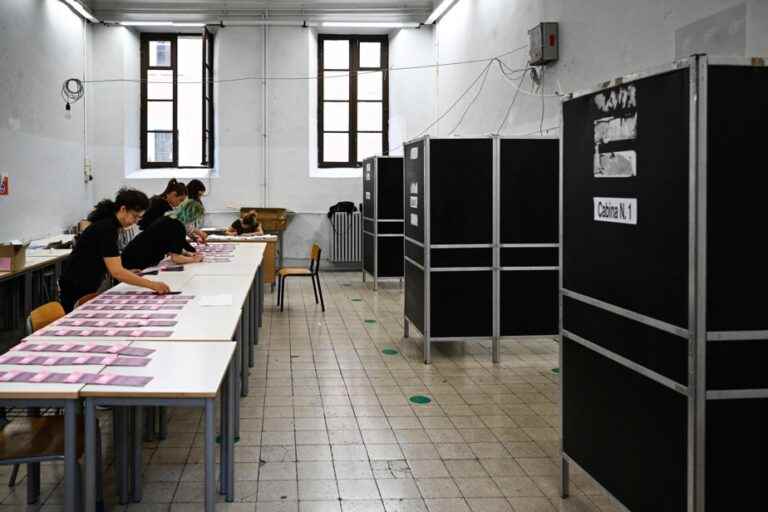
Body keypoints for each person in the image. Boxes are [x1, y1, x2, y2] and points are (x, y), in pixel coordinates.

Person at [58, 188, 171, 312]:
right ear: (123, 209)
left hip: (82, 282)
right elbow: (116, 272)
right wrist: (153, 285)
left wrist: (126, 272)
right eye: (134, 216)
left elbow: (104, 258)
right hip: (77, 285)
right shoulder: (107, 228)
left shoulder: (110, 224)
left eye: (138, 218)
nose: (135, 222)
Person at [121, 216, 203, 270]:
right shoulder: (178, 227)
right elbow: (176, 259)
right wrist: (194, 259)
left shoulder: (167, 220)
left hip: (132, 256)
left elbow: (166, 243)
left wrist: (186, 253)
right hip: (136, 262)